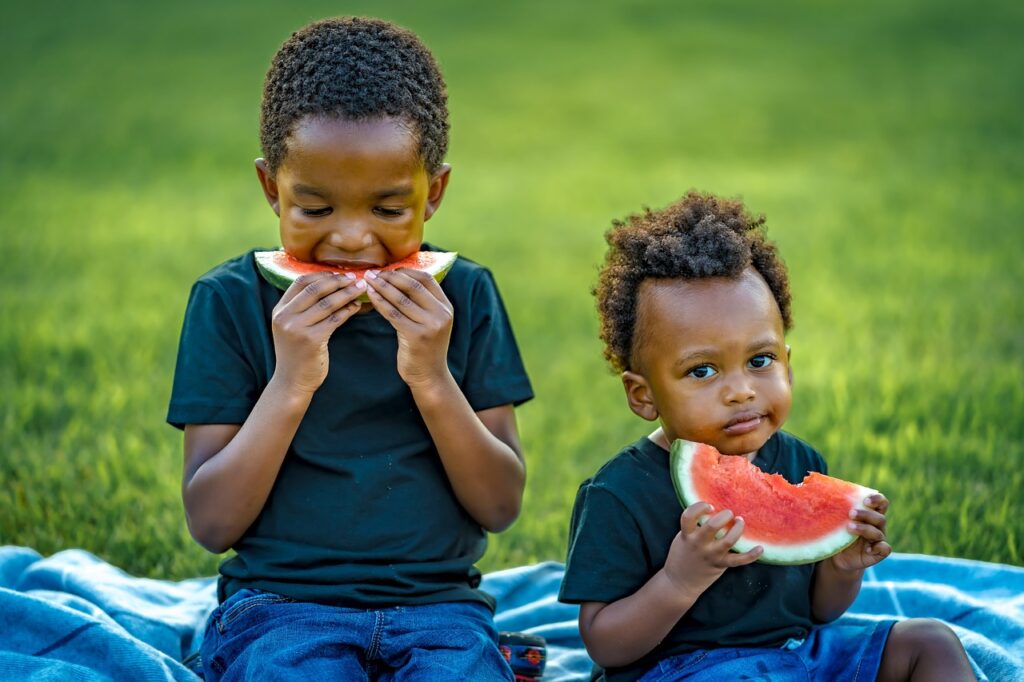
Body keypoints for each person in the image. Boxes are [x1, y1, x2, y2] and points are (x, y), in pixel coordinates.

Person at [166, 17, 533, 681]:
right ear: (271, 187)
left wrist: (431, 375)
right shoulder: (226, 303)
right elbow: (212, 522)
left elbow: (500, 505)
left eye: (389, 210)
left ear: (435, 193)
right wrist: (291, 381)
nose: (353, 240)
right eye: (314, 209)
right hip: (279, 610)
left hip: (441, 610)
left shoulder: (467, 297)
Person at [558, 191, 976, 681]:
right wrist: (678, 580)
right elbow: (605, 643)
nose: (740, 391)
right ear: (643, 395)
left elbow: (818, 613)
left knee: (929, 643)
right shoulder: (617, 494)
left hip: (799, 655)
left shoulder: (800, 462)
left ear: (788, 366)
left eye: (760, 361)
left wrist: (842, 568)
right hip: (684, 671)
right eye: (703, 371)